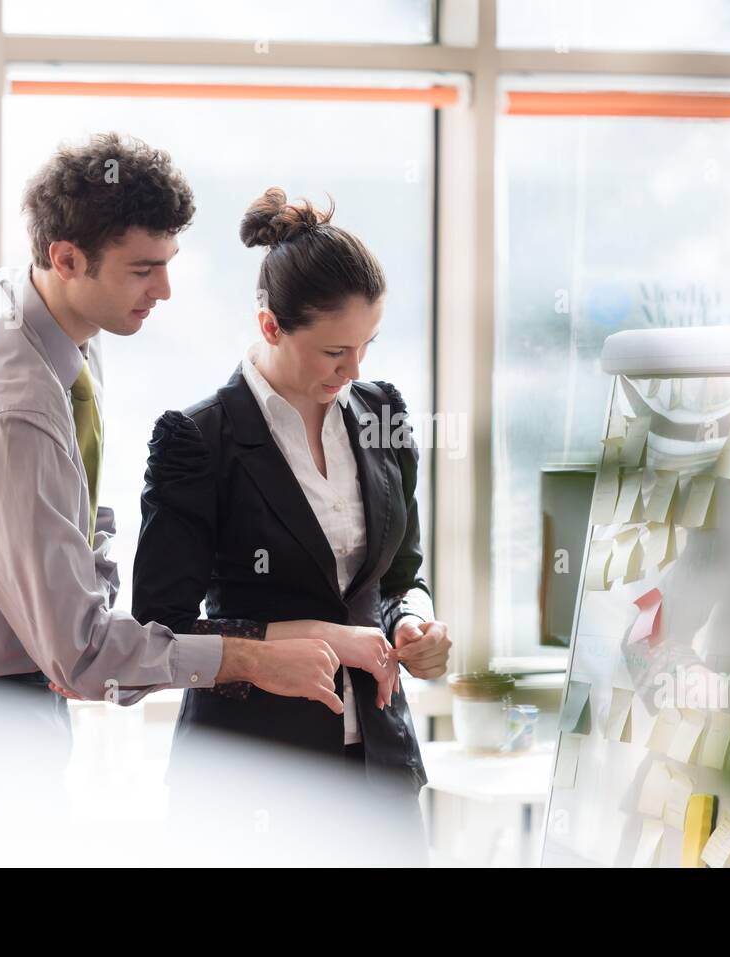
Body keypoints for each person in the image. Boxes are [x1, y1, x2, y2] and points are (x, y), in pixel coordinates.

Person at [0, 136, 352, 854]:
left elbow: (68, 505)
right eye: (143, 270)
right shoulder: (11, 401)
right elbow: (83, 656)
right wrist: (250, 657)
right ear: (66, 257)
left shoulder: (43, 319)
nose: (164, 291)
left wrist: (85, 574)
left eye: (168, 265)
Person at [130, 189, 451, 858]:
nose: (356, 369)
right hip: (250, 778)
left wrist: (412, 620)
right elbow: (161, 629)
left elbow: (400, 575)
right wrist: (326, 635)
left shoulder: (382, 411)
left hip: (380, 771)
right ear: (271, 325)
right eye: (336, 350)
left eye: (367, 345)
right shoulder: (198, 439)